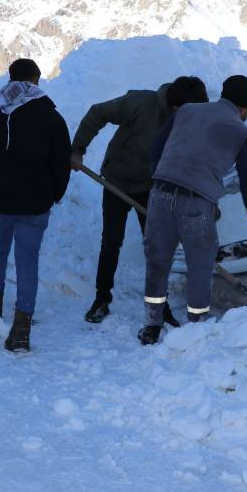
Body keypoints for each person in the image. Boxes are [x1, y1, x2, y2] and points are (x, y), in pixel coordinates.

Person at [138, 75, 247, 345]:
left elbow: (156, 148)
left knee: (157, 262)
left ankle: (151, 326)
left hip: (160, 196)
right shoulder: (241, 131)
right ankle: (197, 328)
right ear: (245, 108)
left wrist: (161, 179)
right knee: (199, 266)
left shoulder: (187, 110)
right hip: (196, 204)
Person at [71, 76, 208, 324]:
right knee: (111, 241)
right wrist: (77, 149)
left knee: (158, 246)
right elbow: (97, 113)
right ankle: (102, 299)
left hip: (151, 187)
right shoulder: (140, 103)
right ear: (177, 106)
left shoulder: (189, 119)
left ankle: (160, 304)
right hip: (116, 181)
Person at [0, 58, 71, 352]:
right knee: (27, 259)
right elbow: (61, 162)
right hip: (35, 203)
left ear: (10, 79)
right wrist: (55, 194)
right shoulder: (51, 117)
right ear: (36, 80)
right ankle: (22, 323)